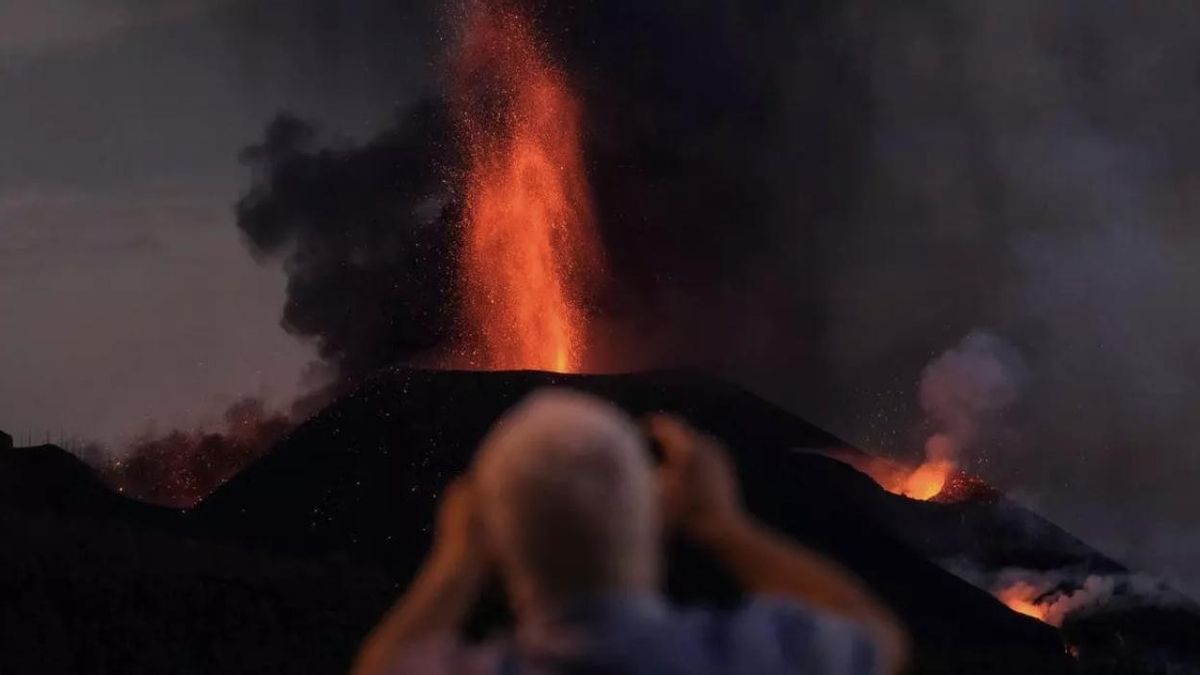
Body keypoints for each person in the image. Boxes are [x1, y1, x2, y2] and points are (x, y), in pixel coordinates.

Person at [352, 390, 910, 675]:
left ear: (494, 537)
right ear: (655, 515)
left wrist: (458, 555)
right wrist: (723, 525)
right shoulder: (744, 656)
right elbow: (870, 633)